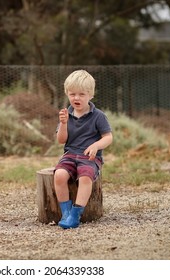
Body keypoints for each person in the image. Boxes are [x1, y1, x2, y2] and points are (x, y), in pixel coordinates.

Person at [54, 69, 113, 229]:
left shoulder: (98, 116)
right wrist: (64, 124)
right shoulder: (66, 115)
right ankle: (65, 212)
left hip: (90, 158)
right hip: (70, 155)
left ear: (90, 95)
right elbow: (61, 140)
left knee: (85, 177)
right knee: (59, 175)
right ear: (67, 94)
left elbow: (108, 137)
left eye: (81, 94)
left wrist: (96, 145)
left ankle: (75, 214)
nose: (76, 98)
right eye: (72, 94)